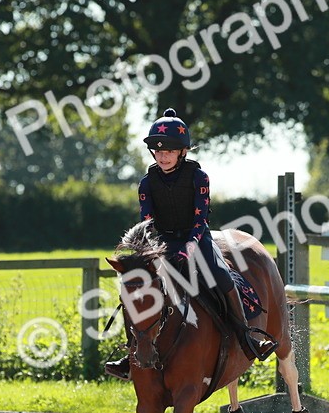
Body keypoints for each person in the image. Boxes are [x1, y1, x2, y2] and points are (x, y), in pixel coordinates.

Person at [105, 108, 278, 380]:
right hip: (161, 245)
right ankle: (132, 352)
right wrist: (152, 251)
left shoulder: (199, 178)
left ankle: (247, 337)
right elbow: (147, 223)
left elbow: (200, 219)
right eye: (158, 151)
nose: (163, 156)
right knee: (137, 288)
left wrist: (191, 245)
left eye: (169, 151)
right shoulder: (146, 183)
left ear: (182, 152)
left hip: (197, 239)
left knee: (221, 277)